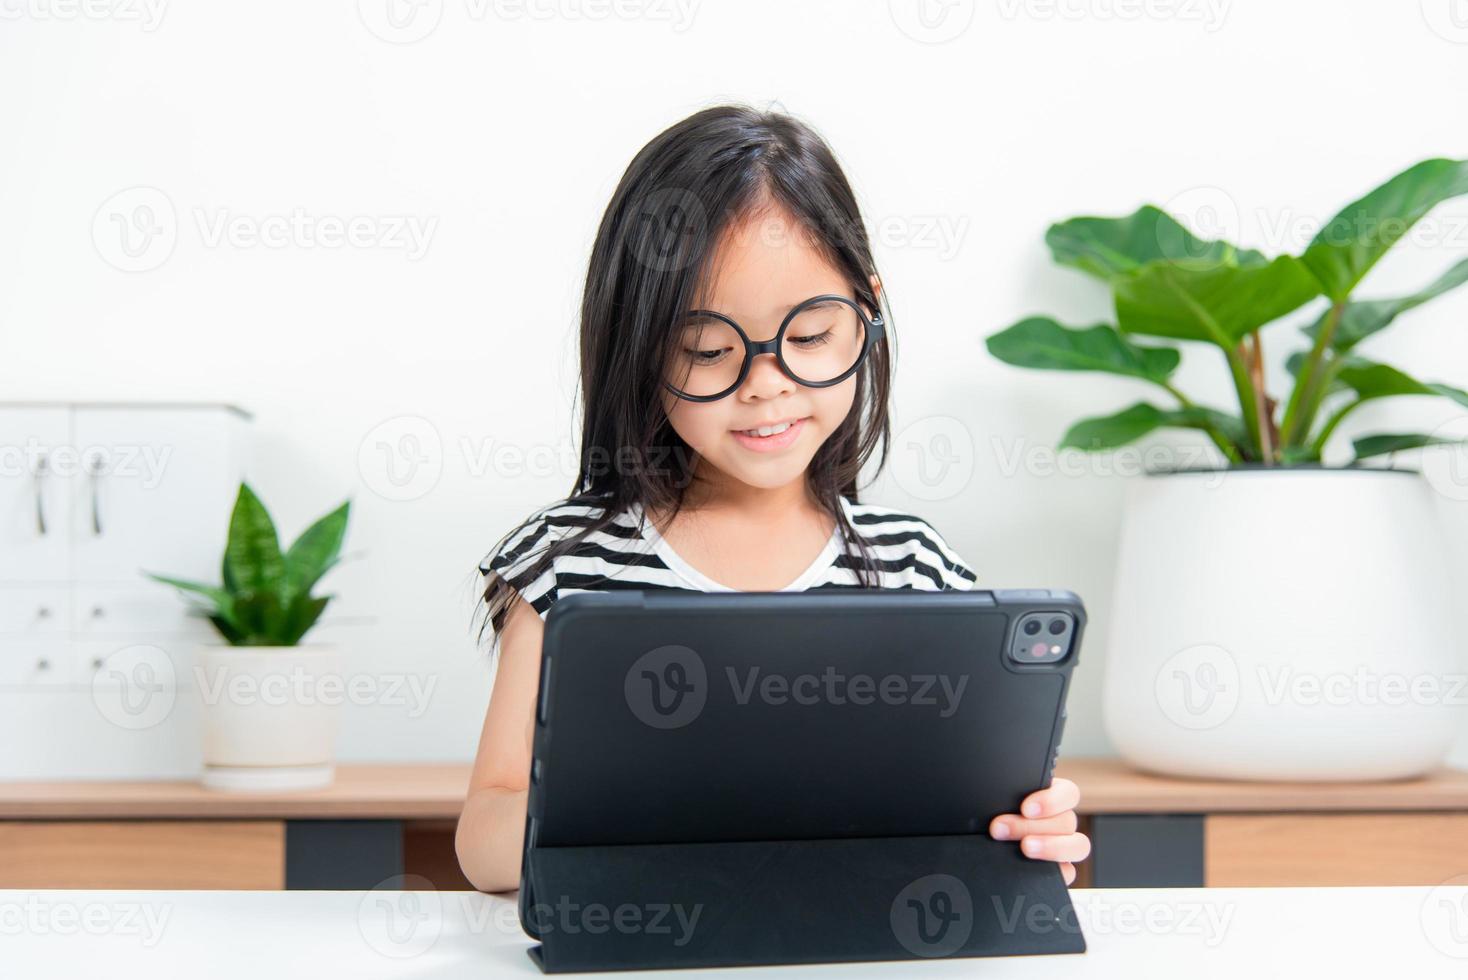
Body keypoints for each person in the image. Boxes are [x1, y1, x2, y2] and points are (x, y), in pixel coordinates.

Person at [457, 103, 1089, 893]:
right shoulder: (566, 564)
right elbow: (484, 834)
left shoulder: (917, 571)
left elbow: (988, 822)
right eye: (709, 351)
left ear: (868, 311)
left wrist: (1028, 835)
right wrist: (640, 807)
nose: (767, 386)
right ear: (637, 348)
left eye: (812, 337)